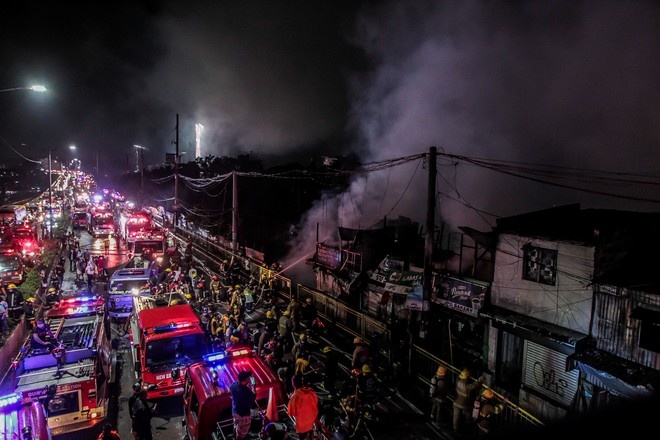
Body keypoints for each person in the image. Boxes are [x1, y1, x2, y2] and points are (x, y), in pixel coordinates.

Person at [287, 374, 319, 440]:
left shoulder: (294, 398)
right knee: (310, 433)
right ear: (302, 382)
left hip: (302, 425)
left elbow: (291, 413)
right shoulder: (311, 392)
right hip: (311, 420)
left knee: (302, 438)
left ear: (293, 385)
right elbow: (316, 402)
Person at [453, 368, 484, 434]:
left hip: (456, 403)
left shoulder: (457, 382)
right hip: (465, 405)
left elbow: (458, 377)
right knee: (468, 415)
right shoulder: (467, 386)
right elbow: (475, 385)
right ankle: (468, 428)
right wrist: (480, 380)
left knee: (456, 417)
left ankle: (455, 429)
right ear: (467, 377)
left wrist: (463, 371)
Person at [229, 370, 257, 440]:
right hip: (243, 416)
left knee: (236, 425)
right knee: (242, 432)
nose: (249, 379)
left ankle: (235, 435)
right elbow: (253, 397)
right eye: (248, 378)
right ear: (245, 380)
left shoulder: (233, 385)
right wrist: (254, 387)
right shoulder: (247, 392)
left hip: (235, 411)